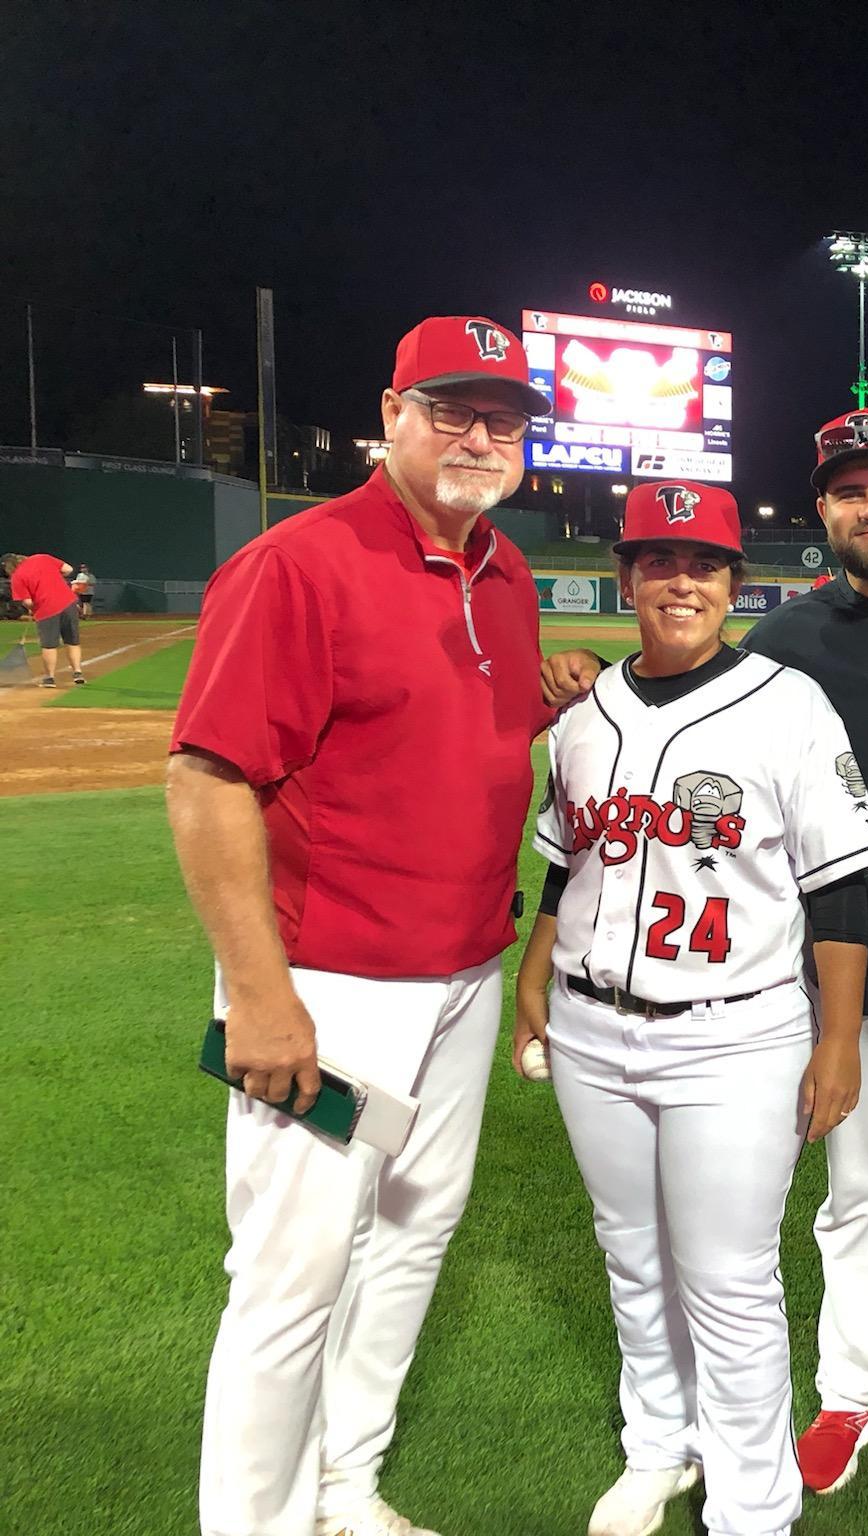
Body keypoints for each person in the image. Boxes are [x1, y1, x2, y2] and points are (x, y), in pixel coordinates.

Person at [544, 407, 868, 1536]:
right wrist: (585, 674)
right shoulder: (782, 645)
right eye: (845, 490)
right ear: (821, 509)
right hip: (823, 990)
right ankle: (847, 1395)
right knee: (849, 1207)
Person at [166, 314, 555, 1536]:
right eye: (450, 409)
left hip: (460, 977)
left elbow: (441, 744)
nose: (479, 435)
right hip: (329, 993)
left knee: (408, 1240)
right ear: (390, 416)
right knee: (290, 1278)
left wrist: (551, 703)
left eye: (502, 417)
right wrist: (260, 994)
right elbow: (208, 780)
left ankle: (342, 1487)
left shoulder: (507, 570)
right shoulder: (301, 562)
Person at [515, 479, 868, 1536]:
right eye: (659, 561)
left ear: (735, 582)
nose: (681, 580)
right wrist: (533, 974)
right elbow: (563, 865)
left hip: (736, 1033)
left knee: (727, 1279)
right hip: (591, 1027)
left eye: (705, 565)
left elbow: (843, 886)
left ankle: (753, 1504)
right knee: (630, 1253)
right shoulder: (582, 715)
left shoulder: (787, 704)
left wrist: (837, 1040)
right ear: (628, 576)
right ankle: (657, 1448)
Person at [4, 550, 85, 686]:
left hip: (46, 609)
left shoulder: (17, 577)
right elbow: (68, 569)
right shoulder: (41, 558)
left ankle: (49, 678)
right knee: (72, 641)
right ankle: (77, 673)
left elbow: (28, 601)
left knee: (49, 645)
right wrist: (55, 577)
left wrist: (32, 609)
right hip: (68, 603)